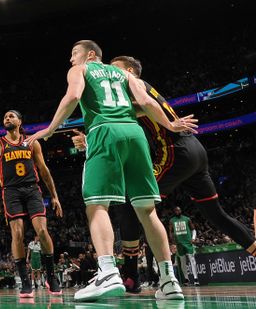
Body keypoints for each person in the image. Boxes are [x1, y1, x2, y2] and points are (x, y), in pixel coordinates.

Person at [26, 40, 197, 302]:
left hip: (104, 132)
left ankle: (107, 272)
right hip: (134, 134)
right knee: (147, 210)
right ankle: (169, 280)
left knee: (97, 205)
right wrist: (170, 124)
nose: (71, 59)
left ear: (90, 54)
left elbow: (72, 96)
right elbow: (146, 102)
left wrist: (49, 130)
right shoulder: (124, 73)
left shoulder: (81, 70)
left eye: (74, 54)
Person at [71, 55, 256, 292]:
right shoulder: (139, 89)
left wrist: (89, 136)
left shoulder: (130, 86)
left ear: (129, 71)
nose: (109, 73)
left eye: (114, 69)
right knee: (216, 215)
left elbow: (118, 114)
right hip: (195, 151)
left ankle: (130, 276)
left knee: (132, 202)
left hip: (175, 151)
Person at [0, 110, 63, 298]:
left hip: (32, 190)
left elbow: (44, 170)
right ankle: (25, 280)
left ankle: (51, 277)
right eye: (4, 117)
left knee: (42, 231)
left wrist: (55, 196)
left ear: (20, 121)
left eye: (11, 116)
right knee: (18, 233)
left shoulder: (31, 142)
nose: (7, 118)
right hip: (10, 191)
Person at [170, 206, 199, 285]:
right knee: (183, 262)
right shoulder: (172, 220)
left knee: (192, 260)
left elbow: (193, 229)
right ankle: (186, 279)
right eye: (176, 210)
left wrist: (193, 238)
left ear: (181, 210)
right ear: (174, 212)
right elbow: (171, 232)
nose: (177, 211)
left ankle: (196, 278)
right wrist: (173, 242)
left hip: (188, 242)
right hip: (179, 243)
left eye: (179, 210)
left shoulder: (187, 219)